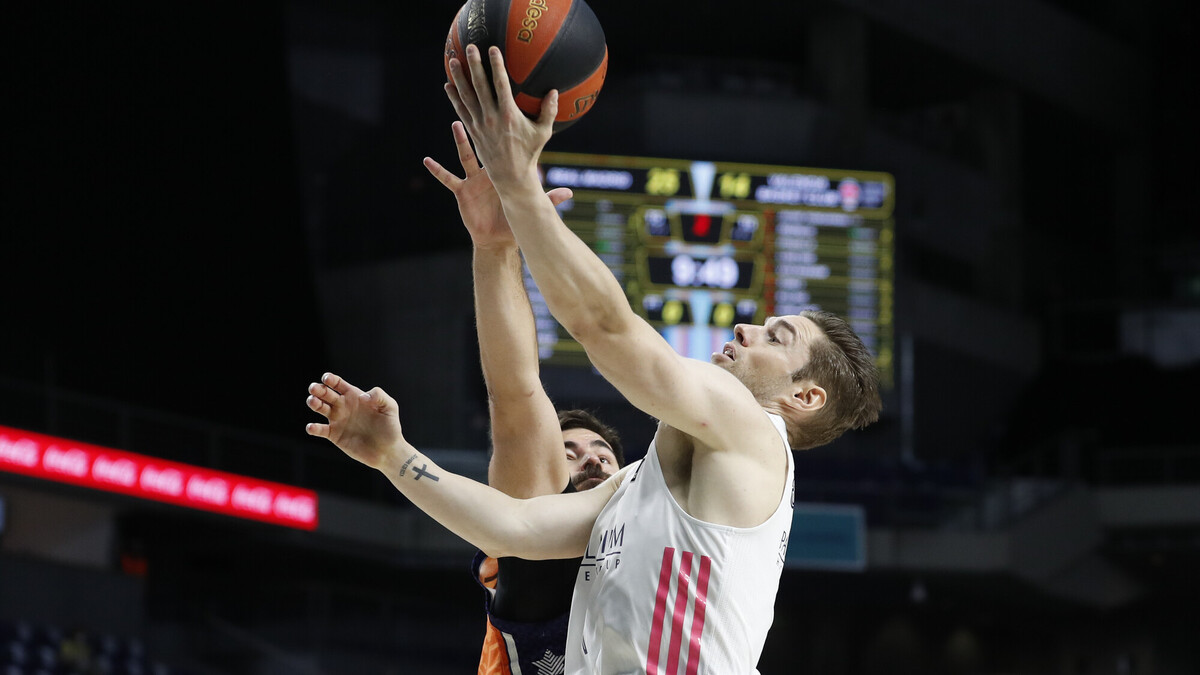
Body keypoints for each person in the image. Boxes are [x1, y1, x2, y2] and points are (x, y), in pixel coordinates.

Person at [305, 43, 881, 674]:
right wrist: (391, 456)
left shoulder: (753, 429)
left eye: (777, 337)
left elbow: (605, 327)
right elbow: (512, 529)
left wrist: (519, 184)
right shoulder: (632, 485)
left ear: (804, 397)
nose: (746, 327)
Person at [427, 121, 627, 674]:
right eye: (569, 453)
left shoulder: (658, 550)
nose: (592, 460)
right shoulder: (540, 555)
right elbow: (515, 393)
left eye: (603, 455)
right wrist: (495, 248)